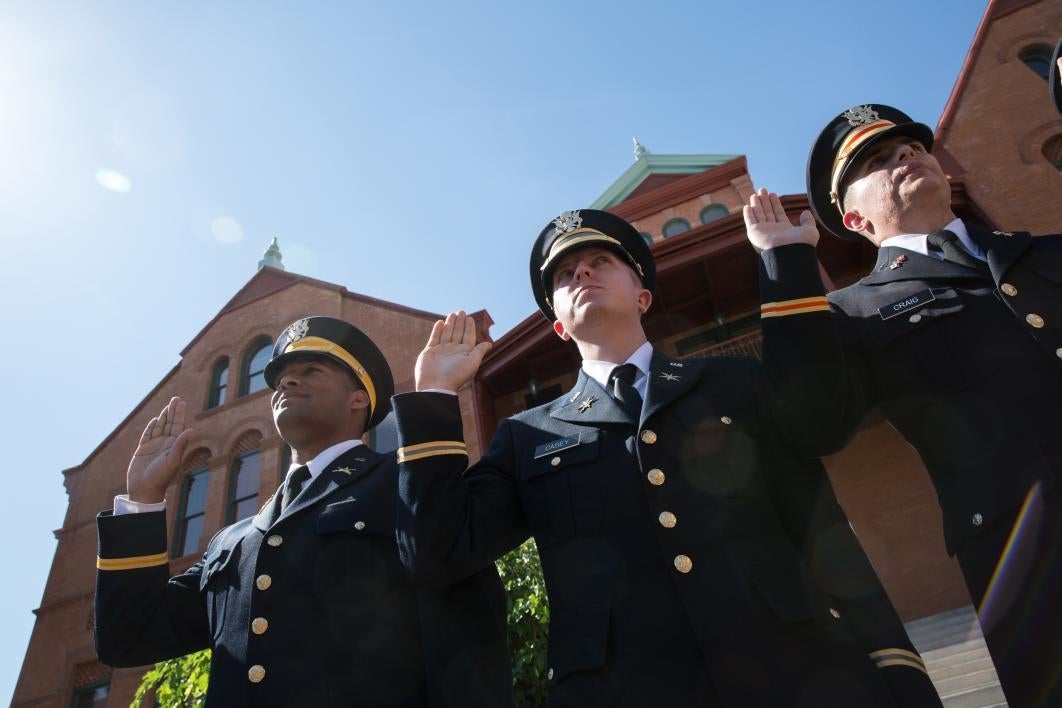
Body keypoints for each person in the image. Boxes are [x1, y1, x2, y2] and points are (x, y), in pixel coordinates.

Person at [389, 209, 941, 707]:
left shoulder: (734, 383)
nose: (581, 274)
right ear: (558, 325)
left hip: (802, 677)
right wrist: (436, 399)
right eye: (564, 275)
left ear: (643, 296)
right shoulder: (527, 436)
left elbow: (820, 525)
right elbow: (438, 554)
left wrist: (894, 661)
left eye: (599, 261)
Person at [746, 102, 1062, 707]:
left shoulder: (1045, 256)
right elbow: (813, 423)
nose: (905, 158)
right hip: (1031, 568)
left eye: (911, 148)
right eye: (877, 160)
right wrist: (786, 266)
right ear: (854, 218)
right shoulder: (854, 312)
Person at [94, 316, 511, 707]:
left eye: (312, 370)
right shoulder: (234, 540)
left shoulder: (410, 486)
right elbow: (128, 637)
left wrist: (435, 397)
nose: (286, 381)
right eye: (278, 380)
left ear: (358, 398)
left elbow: (467, 637)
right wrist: (144, 500)